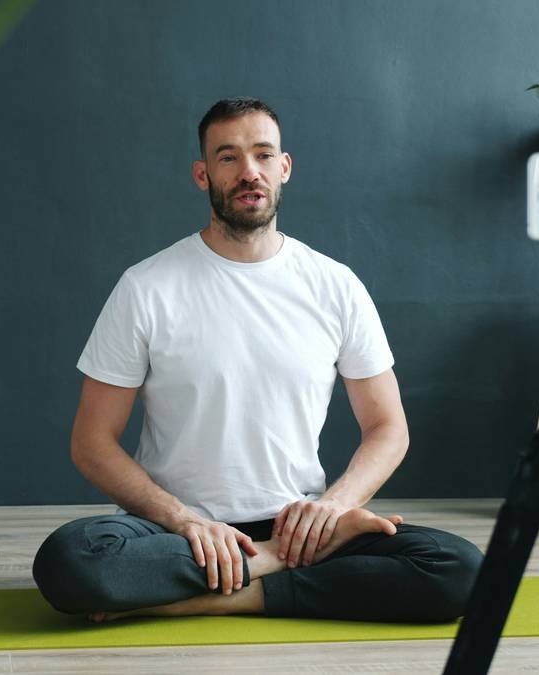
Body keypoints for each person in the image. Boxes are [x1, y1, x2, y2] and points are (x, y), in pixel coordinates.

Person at [32, 97, 482, 623]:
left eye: (263, 154)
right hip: (178, 533)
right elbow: (91, 442)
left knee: (458, 568)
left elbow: (388, 427)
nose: (249, 171)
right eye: (228, 158)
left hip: (298, 525)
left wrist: (332, 509)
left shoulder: (335, 285)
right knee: (73, 560)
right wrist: (184, 521)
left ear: (283, 167)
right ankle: (271, 568)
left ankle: (220, 593)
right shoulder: (146, 287)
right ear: (203, 175)